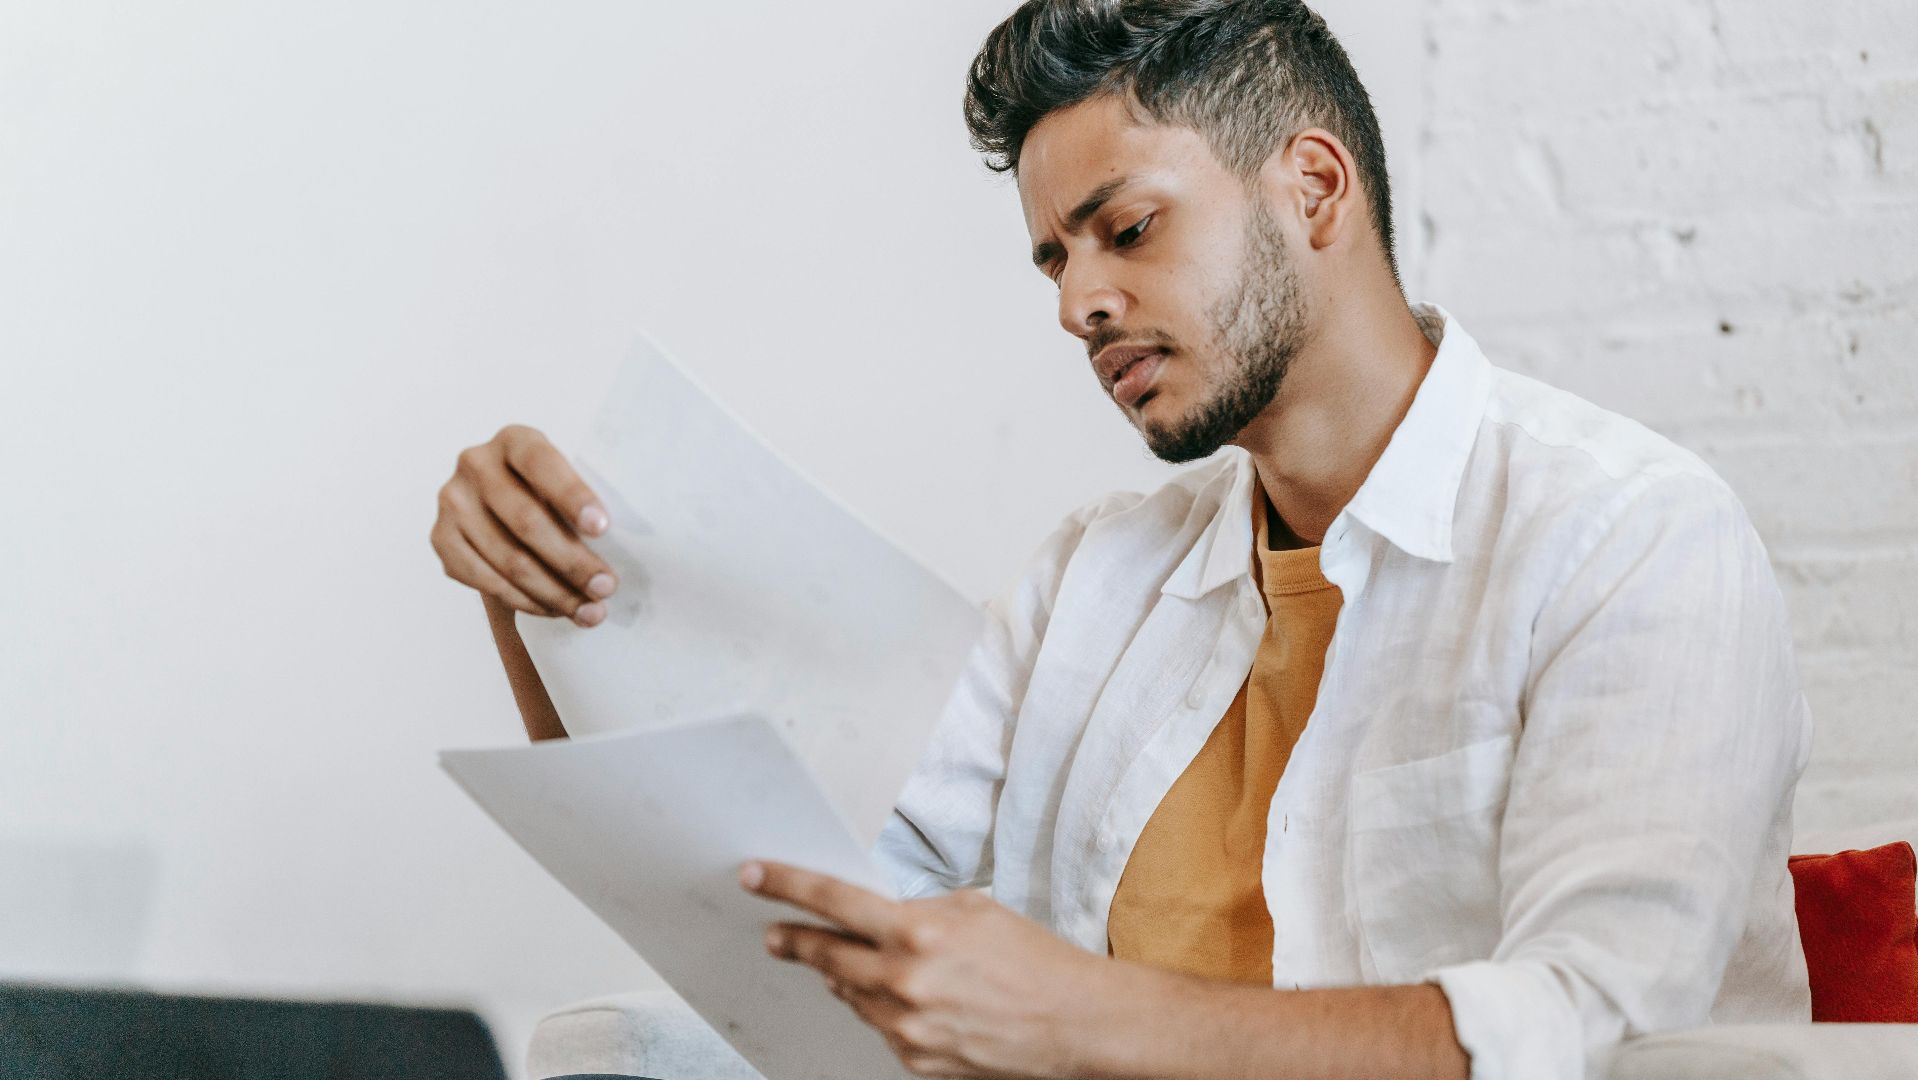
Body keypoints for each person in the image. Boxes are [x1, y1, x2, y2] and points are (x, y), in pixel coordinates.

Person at [430, 2, 1813, 1076]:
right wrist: (550, 591)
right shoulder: (1096, 580)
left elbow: (1600, 1028)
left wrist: (1083, 1016)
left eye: (1127, 230)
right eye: (1054, 258)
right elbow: (789, 915)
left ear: (1314, 188)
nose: (1077, 303)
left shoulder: (1629, 538)